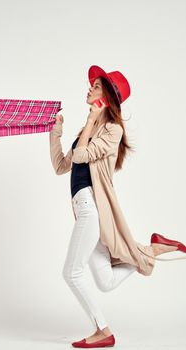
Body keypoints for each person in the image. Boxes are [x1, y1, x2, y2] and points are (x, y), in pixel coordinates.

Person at [49, 65, 186, 348]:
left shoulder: (112, 130)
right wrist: (57, 132)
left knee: (72, 272)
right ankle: (154, 248)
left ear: (107, 98)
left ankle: (103, 331)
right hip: (82, 207)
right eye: (92, 85)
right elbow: (61, 166)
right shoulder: (92, 128)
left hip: (91, 205)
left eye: (96, 86)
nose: (89, 88)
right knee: (106, 281)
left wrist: (89, 123)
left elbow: (82, 155)